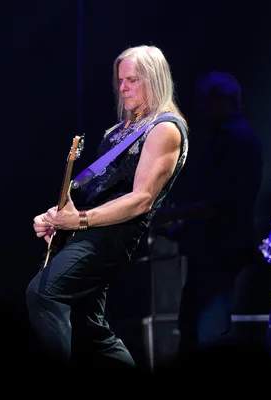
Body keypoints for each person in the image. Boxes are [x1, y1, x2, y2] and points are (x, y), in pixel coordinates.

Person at [25, 45, 189, 366]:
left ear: (154, 80)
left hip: (111, 238)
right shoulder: (120, 130)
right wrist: (57, 217)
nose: (123, 88)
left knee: (43, 294)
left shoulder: (164, 129)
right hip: (91, 231)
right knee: (90, 329)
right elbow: (92, 189)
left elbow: (142, 199)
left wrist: (80, 221)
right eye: (121, 81)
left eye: (132, 80)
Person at [153, 71, 263, 357]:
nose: (200, 107)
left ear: (223, 100)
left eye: (205, 100)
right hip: (213, 248)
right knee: (195, 327)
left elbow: (223, 203)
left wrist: (168, 215)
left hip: (221, 250)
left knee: (206, 331)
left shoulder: (237, 141)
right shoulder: (227, 139)